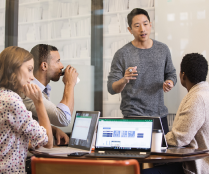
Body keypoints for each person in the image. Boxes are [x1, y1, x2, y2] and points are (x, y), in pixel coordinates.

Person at [107, 8, 177, 134]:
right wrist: (124, 79)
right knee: (135, 154)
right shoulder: (122, 54)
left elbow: (171, 73)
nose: (142, 29)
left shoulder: (163, 49)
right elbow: (112, 88)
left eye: (145, 24)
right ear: (130, 29)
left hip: (159, 116)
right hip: (133, 117)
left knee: (163, 153)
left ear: (150, 25)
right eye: (137, 26)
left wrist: (170, 82)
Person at [142, 53, 209, 174]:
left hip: (198, 166)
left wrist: (150, 139)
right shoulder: (205, 93)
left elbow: (179, 139)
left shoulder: (197, 98)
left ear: (183, 75)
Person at [0, 46, 53, 173]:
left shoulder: (3, 96)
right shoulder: (12, 101)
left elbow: (7, 138)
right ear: (13, 68)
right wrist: (39, 102)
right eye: (29, 70)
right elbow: (48, 142)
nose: (32, 77)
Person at [23, 44, 78, 145]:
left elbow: (31, 122)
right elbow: (63, 119)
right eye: (58, 61)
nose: (62, 66)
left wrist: (53, 130)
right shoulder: (29, 91)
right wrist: (70, 84)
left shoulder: (42, 89)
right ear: (44, 66)